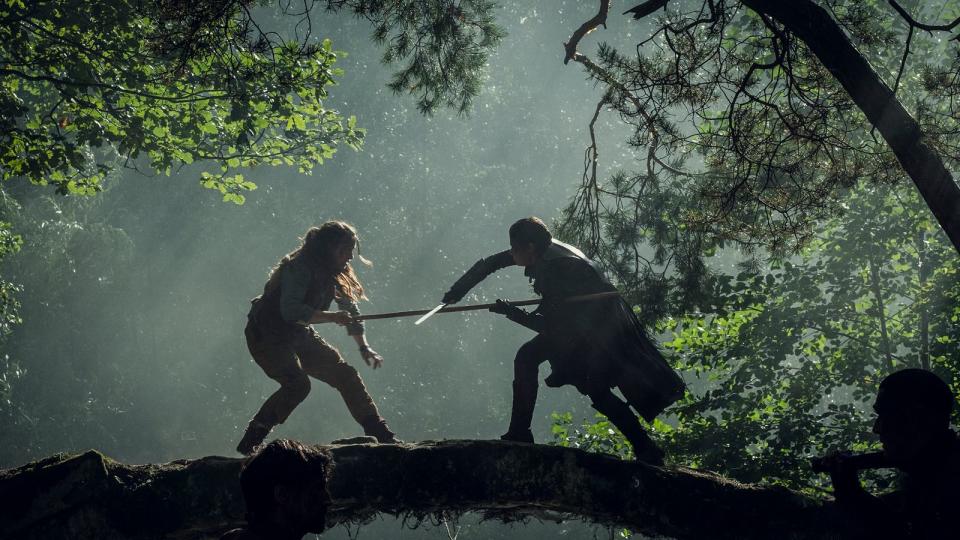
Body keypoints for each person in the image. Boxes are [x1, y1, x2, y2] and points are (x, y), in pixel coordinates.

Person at [441, 217, 684, 464]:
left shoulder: (560, 270)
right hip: (577, 326)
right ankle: (644, 447)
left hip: (596, 331)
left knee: (581, 382)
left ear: (530, 248)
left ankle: (644, 448)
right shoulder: (540, 249)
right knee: (547, 367)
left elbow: (552, 327)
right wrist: (456, 293)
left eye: (515, 250)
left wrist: (511, 313)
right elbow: (492, 263)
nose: (511, 255)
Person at [236, 221, 399, 456]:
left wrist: (364, 347)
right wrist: (332, 317)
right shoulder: (299, 267)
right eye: (345, 251)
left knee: (345, 375)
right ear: (328, 248)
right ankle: (253, 438)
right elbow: (290, 311)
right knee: (298, 385)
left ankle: (381, 433)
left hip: (298, 333)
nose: (350, 257)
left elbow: (350, 311)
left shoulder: (334, 272)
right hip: (267, 334)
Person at [815, 368, 959, 538]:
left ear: (919, 420)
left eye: (888, 417)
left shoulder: (950, 481)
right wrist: (850, 491)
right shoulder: (929, 474)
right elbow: (898, 526)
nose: (877, 429)